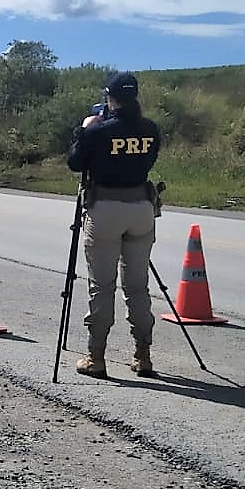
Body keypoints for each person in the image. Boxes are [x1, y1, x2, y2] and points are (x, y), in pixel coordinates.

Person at [66, 72, 163, 378]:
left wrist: (83, 131)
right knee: (137, 286)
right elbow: (148, 160)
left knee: (102, 285)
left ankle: (96, 356)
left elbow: (75, 163)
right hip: (141, 209)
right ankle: (143, 354)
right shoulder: (150, 129)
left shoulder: (98, 131)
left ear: (110, 98)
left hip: (106, 209)